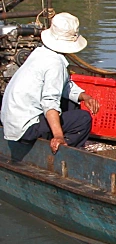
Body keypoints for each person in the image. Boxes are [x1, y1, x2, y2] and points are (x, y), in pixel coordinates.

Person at [1, 12, 100, 153]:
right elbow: (49, 102)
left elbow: (64, 85)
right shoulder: (54, 64)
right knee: (83, 119)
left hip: (14, 121)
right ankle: (63, 151)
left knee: (72, 103)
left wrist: (84, 96)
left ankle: (54, 137)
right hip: (24, 128)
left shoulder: (40, 52)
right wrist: (58, 136)